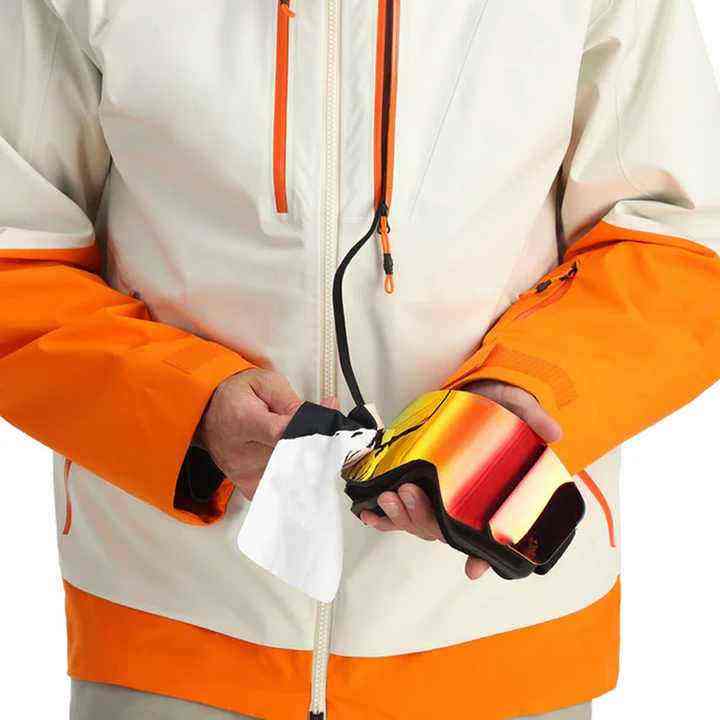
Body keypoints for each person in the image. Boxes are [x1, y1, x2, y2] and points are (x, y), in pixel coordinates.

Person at [1, 1, 718, 719]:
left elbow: (678, 243)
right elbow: (16, 256)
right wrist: (187, 409)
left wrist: (527, 395)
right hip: (173, 629)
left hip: (496, 632)